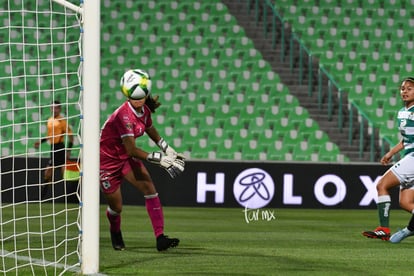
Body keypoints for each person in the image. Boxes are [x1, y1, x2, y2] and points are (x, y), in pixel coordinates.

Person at [100, 69, 185, 251]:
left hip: (124, 159)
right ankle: (115, 231)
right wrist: (159, 159)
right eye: (134, 97)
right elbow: (131, 149)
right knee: (116, 208)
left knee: (150, 188)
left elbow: (150, 129)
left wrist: (167, 148)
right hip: (106, 162)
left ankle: (160, 237)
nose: (138, 100)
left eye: (140, 97)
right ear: (127, 95)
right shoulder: (122, 116)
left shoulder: (145, 110)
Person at [362, 77, 414, 241]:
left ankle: (383, 229)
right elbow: (406, 140)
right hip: (409, 156)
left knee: (381, 185)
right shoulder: (402, 112)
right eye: (402, 88)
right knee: (405, 203)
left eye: (409, 88)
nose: (404, 91)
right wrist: (390, 153)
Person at [34, 100, 74, 196]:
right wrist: (40, 142)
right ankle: (44, 194)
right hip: (53, 148)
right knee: (49, 171)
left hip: (60, 147)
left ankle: (71, 195)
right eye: (52, 107)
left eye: (56, 108)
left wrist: (68, 150)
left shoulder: (63, 121)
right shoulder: (49, 120)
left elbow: (71, 137)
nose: (54, 109)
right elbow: (49, 135)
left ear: (59, 109)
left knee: (63, 172)